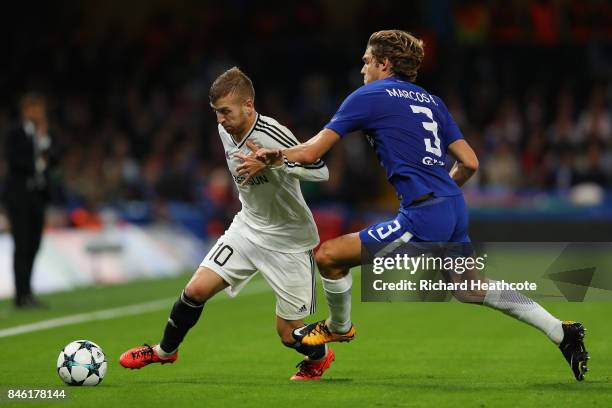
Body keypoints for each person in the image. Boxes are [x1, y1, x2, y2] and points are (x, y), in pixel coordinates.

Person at [248, 30, 589, 381]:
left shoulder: (368, 96)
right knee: (470, 288)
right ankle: (561, 332)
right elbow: (470, 162)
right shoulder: (431, 101)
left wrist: (275, 156)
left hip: (425, 212)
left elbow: (310, 152)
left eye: (367, 60)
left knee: (329, 256)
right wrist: (442, 195)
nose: (362, 67)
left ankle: (339, 326)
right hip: (452, 206)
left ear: (385, 63)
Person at [119, 67, 335, 380]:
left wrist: (275, 160)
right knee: (195, 290)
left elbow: (320, 170)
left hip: (289, 241)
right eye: (216, 113)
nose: (220, 120)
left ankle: (321, 356)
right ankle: (164, 351)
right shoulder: (225, 129)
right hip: (247, 227)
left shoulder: (271, 133)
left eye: (225, 112)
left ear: (249, 105)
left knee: (288, 334)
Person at [3, 93, 53, 309]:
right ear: (26, 109)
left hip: (37, 196)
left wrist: (44, 139)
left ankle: (28, 292)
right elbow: (16, 161)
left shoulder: (42, 134)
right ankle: (21, 295)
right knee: (22, 244)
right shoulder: (15, 132)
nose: (39, 112)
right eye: (35, 108)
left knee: (34, 243)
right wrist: (36, 162)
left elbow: (54, 158)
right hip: (19, 196)